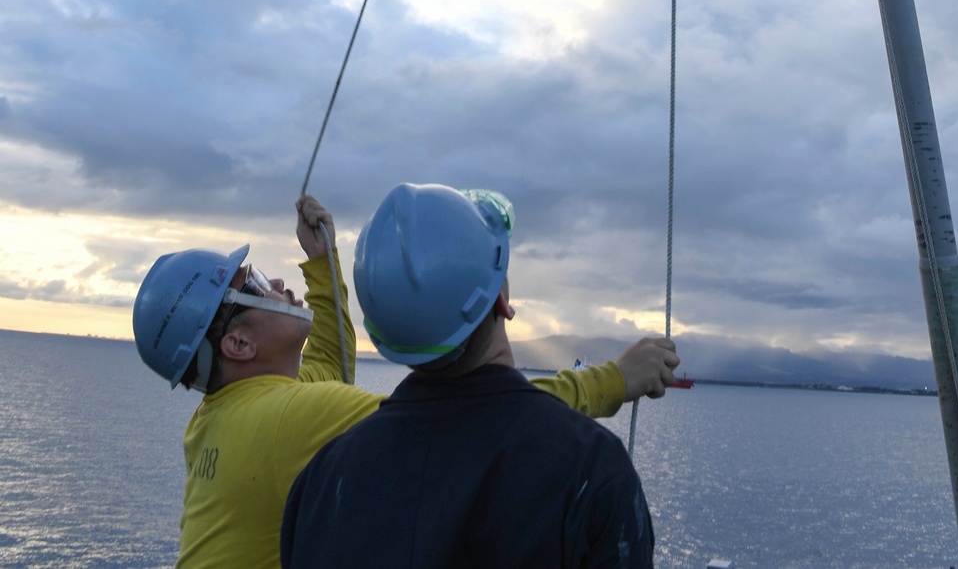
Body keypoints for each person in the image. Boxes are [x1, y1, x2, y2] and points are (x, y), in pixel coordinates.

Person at [133, 193, 678, 569]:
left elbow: (327, 365)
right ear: (238, 345)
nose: (272, 279)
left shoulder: (228, 414)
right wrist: (616, 379)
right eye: (250, 282)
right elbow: (474, 417)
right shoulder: (282, 421)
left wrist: (322, 266)